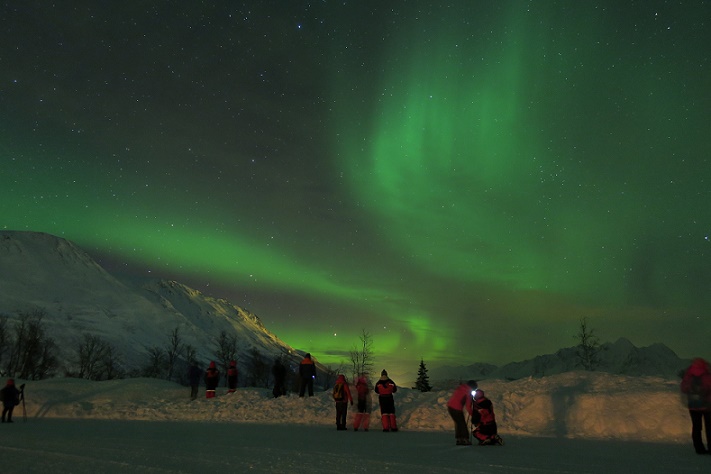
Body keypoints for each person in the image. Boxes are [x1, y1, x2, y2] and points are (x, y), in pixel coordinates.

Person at [680, 357, 711, 454]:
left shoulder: (689, 374)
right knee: (709, 427)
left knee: (697, 427)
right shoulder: (707, 374)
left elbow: (684, 389)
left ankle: (699, 448)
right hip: (707, 405)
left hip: (693, 405)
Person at [447, 380, 478, 445]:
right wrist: (473, 414)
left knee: (458, 423)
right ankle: (465, 439)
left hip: (450, 406)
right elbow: (468, 406)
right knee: (462, 424)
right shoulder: (468, 392)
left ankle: (459, 439)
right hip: (456, 408)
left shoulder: (461, 387)